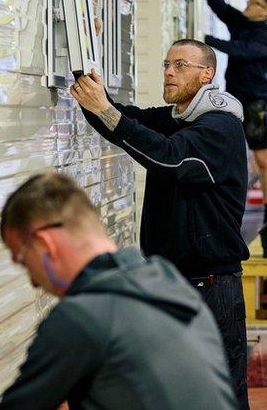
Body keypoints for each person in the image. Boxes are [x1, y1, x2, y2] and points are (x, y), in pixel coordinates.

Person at [69, 39, 251, 409]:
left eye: (181, 65)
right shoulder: (178, 119)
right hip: (173, 280)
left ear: (207, 75)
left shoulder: (218, 128)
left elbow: (171, 159)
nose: (169, 71)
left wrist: (108, 111)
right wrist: (84, 68)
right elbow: (120, 120)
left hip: (209, 287)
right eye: (167, 63)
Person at [0, 173, 237, 410]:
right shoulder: (167, 279)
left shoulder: (81, 317)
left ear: (46, 245)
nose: (33, 282)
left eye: (24, 261)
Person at [203, 0, 267, 223]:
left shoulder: (266, 35)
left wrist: (210, 41)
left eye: (255, 2)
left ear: (266, 11)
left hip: (257, 103)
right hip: (233, 100)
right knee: (229, 154)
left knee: (263, 159)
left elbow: (243, 51)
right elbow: (220, 6)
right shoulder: (241, 22)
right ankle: (226, 206)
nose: (249, 3)